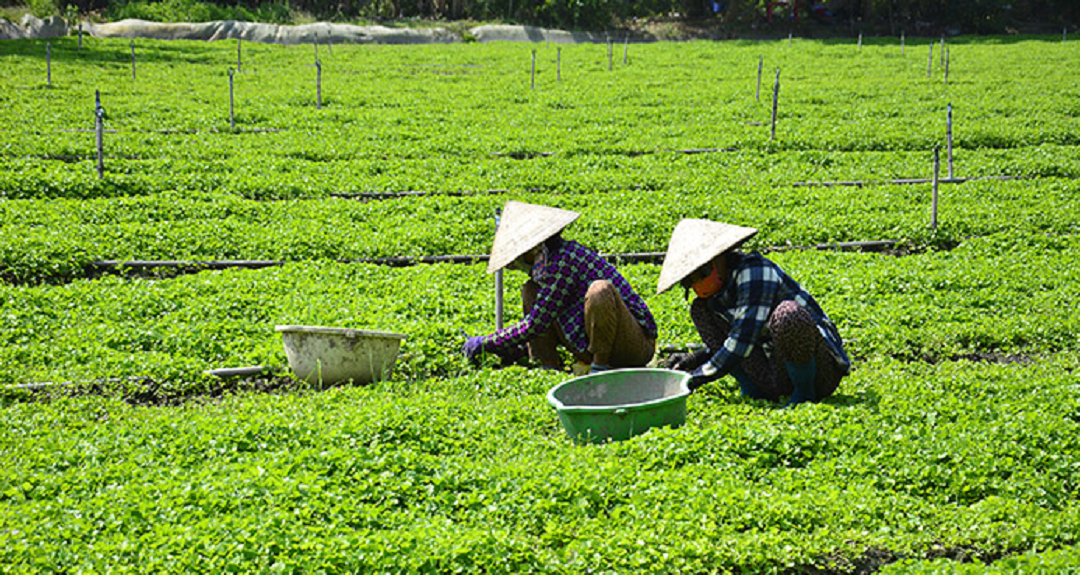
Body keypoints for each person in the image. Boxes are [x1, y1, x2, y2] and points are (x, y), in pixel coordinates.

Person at [656, 218, 851, 406]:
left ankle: (804, 393)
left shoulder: (754, 271)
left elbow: (742, 339)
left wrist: (697, 377)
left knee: (788, 314)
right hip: (774, 371)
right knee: (700, 310)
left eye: (703, 274)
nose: (698, 285)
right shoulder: (713, 300)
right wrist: (695, 359)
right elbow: (730, 342)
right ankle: (751, 390)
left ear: (719, 260)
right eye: (689, 282)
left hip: (819, 372)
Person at [463, 201, 657, 374]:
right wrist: (510, 345)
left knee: (600, 291)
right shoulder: (544, 268)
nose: (515, 263)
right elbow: (543, 316)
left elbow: (536, 323)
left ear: (533, 249)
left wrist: (486, 342)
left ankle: (600, 368)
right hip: (589, 341)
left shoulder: (563, 260)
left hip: (632, 347)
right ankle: (546, 367)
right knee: (531, 290)